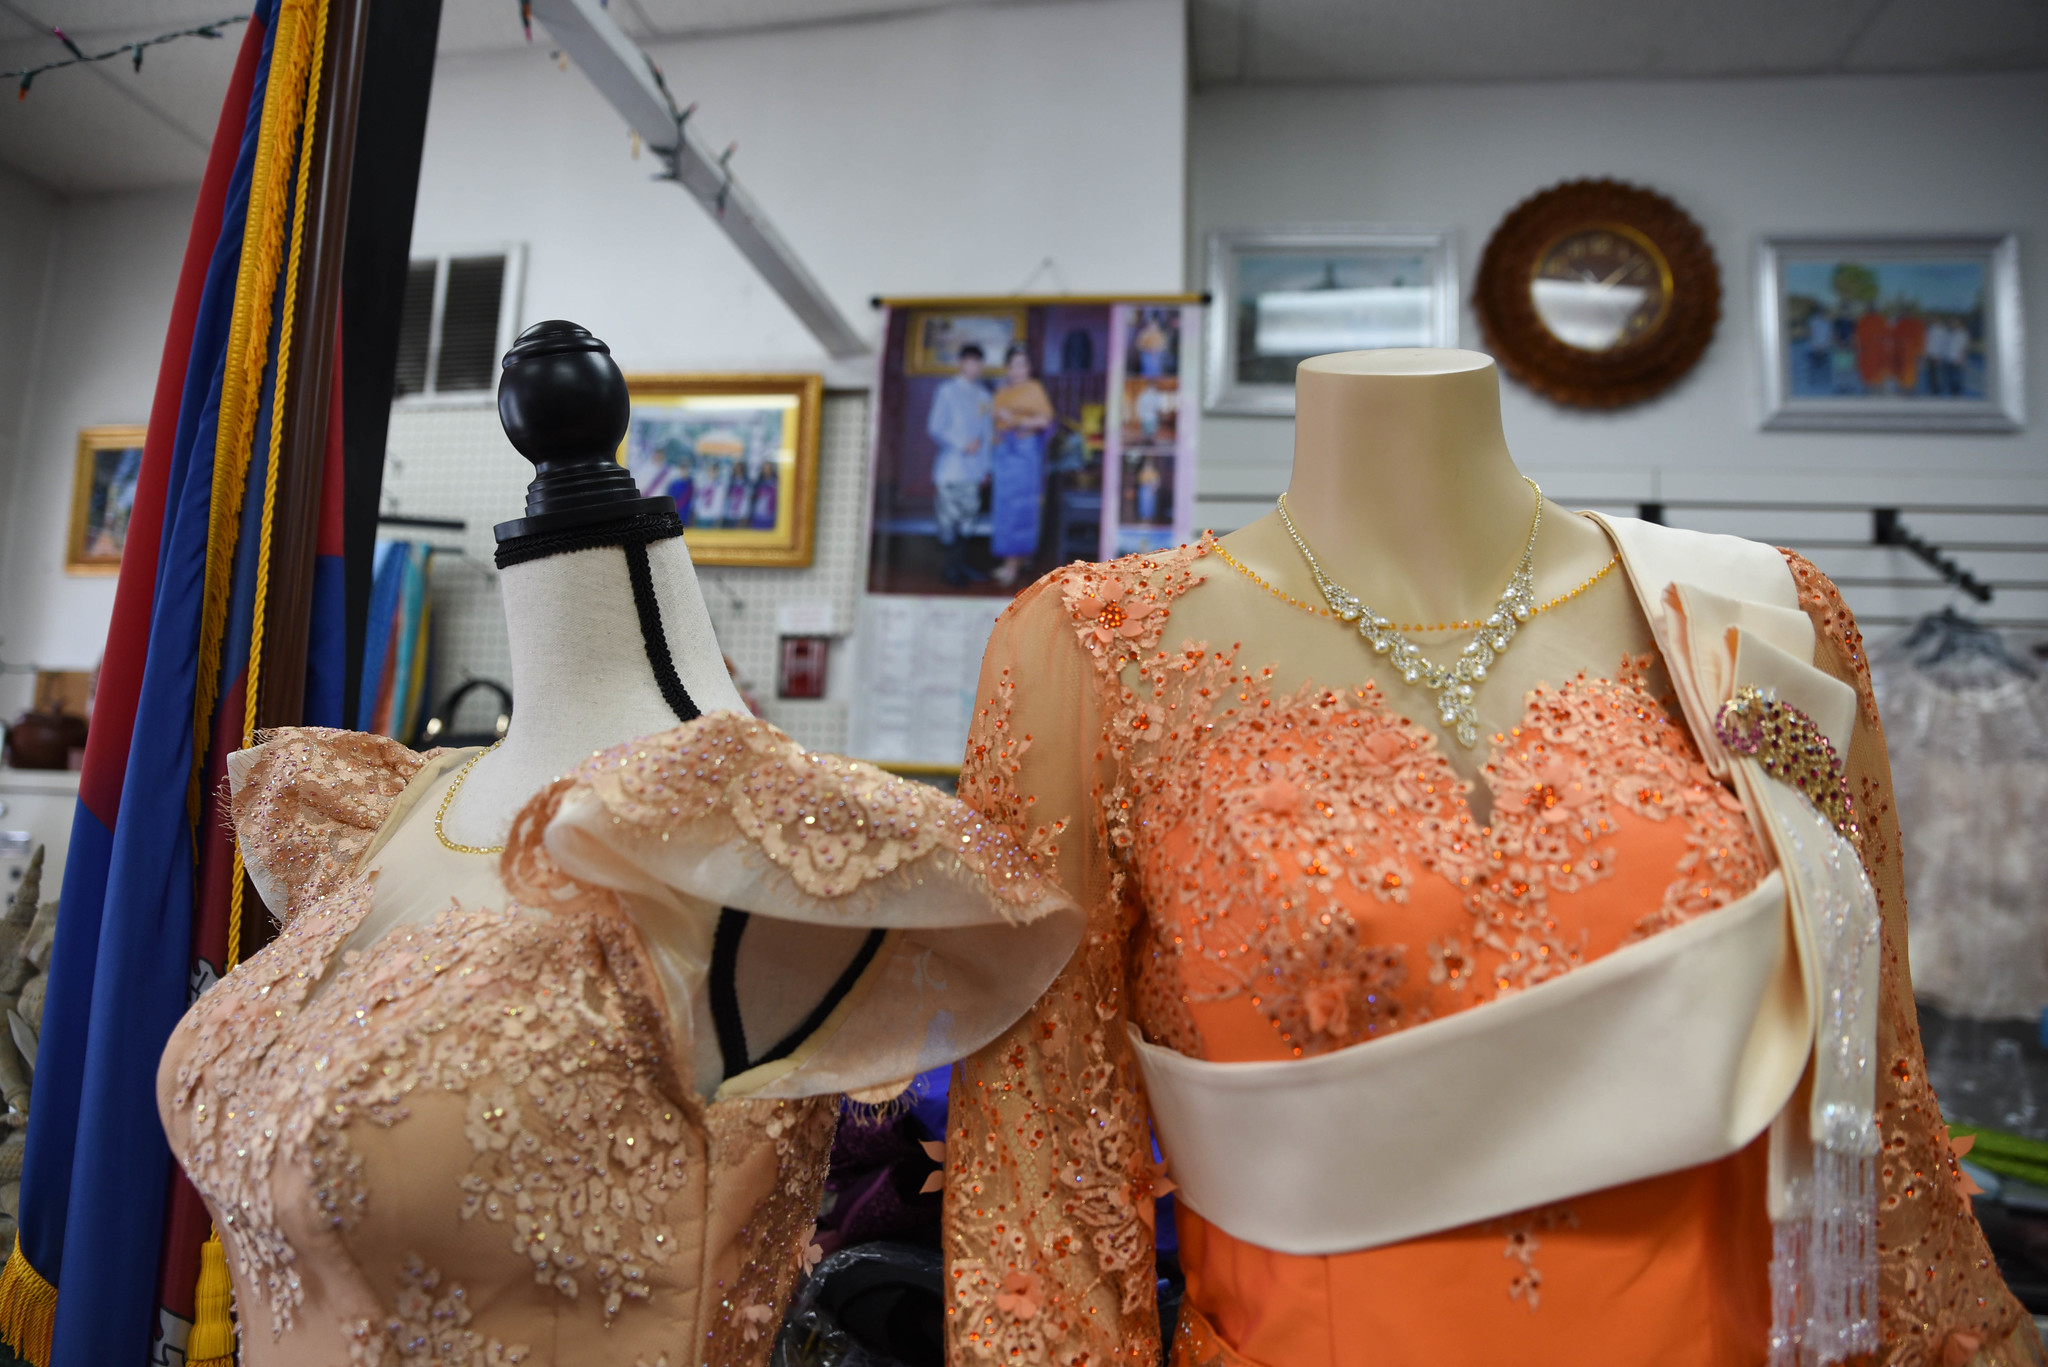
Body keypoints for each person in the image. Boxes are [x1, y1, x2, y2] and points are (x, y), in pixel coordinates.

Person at [989, 343, 1056, 587]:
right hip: (1004, 455)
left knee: (1022, 507)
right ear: (1007, 368)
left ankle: (1013, 564)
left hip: (1025, 456)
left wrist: (1018, 420)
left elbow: (1045, 420)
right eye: (1013, 365)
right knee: (1004, 508)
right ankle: (1011, 559)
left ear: (1029, 368)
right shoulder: (1001, 393)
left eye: (1023, 365)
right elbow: (994, 424)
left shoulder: (1034, 389)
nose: (1018, 370)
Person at [927, 343, 994, 586]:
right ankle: (950, 569)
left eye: (978, 362)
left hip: (974, 470)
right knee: (948, 522)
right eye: (969, 361)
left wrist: (987, 468)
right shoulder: (947, 391)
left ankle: (961, 566)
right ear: (961, 362)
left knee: (968, 522)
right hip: (951, 468)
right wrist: (962, 444)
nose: (974, 367)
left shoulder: (985, 395)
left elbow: (987, 436)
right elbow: (935, 427)